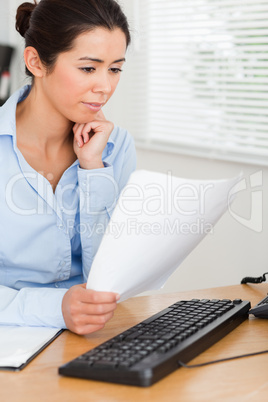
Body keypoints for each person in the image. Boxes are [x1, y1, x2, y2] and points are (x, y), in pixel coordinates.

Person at [0, 0, 136, 335]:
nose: (104, 87)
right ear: (35, 62)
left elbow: (110, 275)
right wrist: (56, 308)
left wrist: (93, 169)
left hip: (93, 332)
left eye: (115, 69)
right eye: (89, 68)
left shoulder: (115, 148)